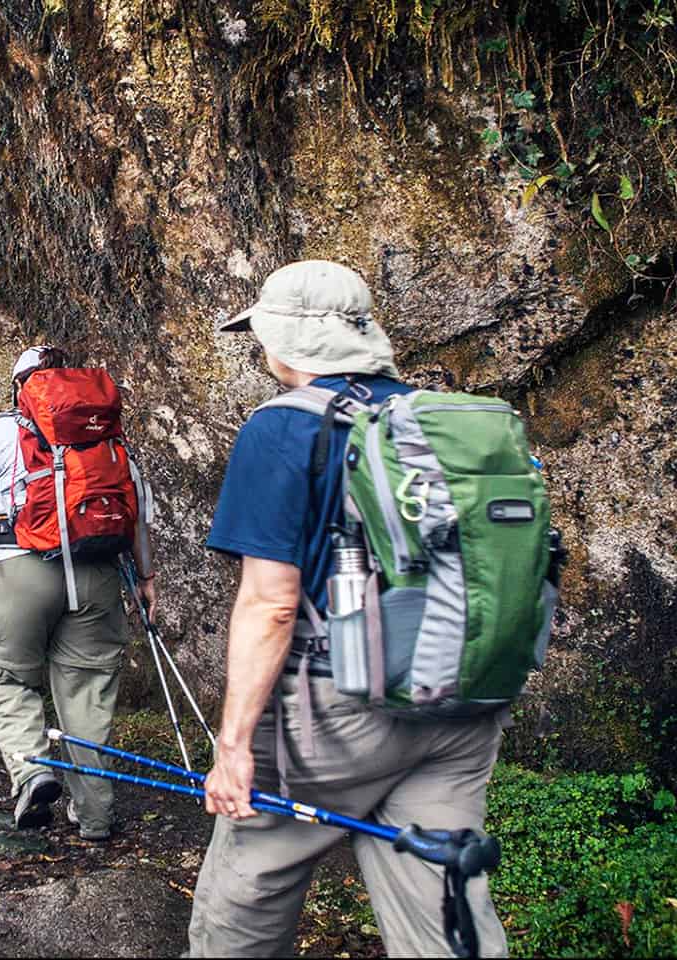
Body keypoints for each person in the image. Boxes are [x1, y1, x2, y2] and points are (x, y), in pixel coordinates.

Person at [186, 260, 509, 958]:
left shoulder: (284, 427)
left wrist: (234, 744)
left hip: (339, 711)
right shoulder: (441, 419)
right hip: (462, 700)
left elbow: (271, 604)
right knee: (442, 893)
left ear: (288, 340)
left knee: (247, 883)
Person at [0, 346, 157, 840]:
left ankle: (33, 772)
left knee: (7, 679)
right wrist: (147, 580)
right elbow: (135, 519)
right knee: (88, 694)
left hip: (18, 569)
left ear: (18, 387)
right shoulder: (110, 437)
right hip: (97, 576)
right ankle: (94, 817)